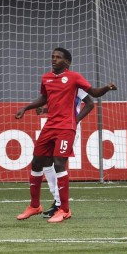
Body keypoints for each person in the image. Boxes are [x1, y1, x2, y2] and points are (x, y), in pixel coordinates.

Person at [15, 47, 116, 223]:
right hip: (50, 125)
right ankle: (34, 206)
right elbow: (44, 98)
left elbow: (93, 95)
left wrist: (106, 88)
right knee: (37, 161)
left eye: (58, 57)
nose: (54, 59)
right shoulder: (46, 78)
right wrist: (26, 108)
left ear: (67, 62)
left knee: (59, 162)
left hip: (66, 127)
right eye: (52, 57)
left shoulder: (74, 77)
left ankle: (64, 209)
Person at [35, 89, 94, 218]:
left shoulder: (76, 85)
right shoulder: (58, 84)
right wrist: (44, 111)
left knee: (59, 162)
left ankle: (59, 204)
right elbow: (61, 109)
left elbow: (90, 103)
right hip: (56, 126)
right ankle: (57, 200)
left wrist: (75, 120)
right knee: (46, 161)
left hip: (69, 128)